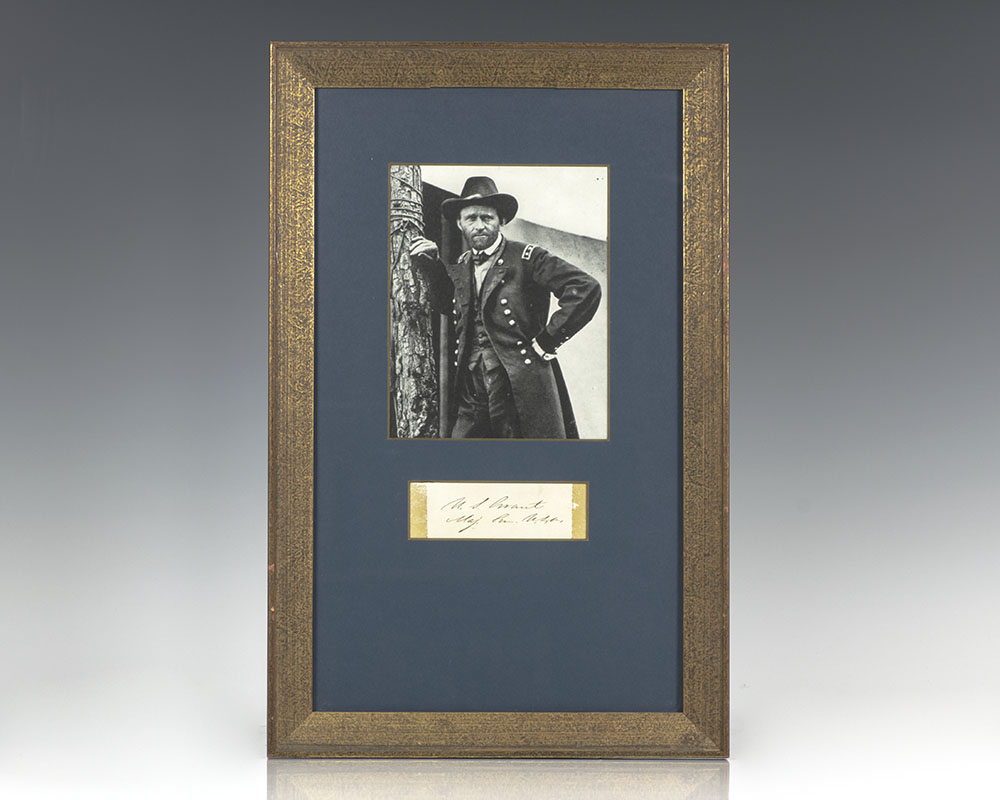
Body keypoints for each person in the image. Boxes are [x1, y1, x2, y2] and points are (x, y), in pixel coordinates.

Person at [408, 175, 601, 439]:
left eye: (487, 218)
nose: (479, 226)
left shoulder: (528, 257)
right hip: (472, 390)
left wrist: (547, 340)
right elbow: (450, 305)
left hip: (519, 386)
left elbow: (585, 288)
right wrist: (433, 266)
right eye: (471, 218)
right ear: (459, 223)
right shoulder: (462, 264)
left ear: (501, 221)